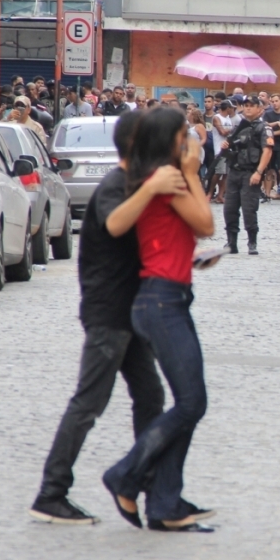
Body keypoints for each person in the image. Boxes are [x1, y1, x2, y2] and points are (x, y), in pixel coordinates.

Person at [29, 113, 187, 526]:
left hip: (130, 314)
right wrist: (152, 187)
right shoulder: (115, 188)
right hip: (109, 314)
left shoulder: (133, 186)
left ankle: (152, 492)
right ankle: (51, 492)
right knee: (88, 403)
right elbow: (117, 223)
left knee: (150, 398)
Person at [102, 108, 216, 533]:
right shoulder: (167, 179)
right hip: (161, 302)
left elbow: (173, 235)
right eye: (185, 136)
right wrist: (192, 172)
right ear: (170, 141)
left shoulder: (160, 178)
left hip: (169, 296)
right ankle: (127, 475)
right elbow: (205, 221)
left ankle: (166, 503)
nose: (191, 142)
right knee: (191, 402)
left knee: (189, 403)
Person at [222, 96, 273, 255]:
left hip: (251, 172)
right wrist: (226, 146)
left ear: (259, 109)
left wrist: (259, 172)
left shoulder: (263, 127)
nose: (248, 108)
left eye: (252, 106)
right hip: (235, 172)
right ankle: (232, 242)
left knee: (249, 209)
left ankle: (252, 242)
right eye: (246, 106)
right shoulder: (239, 126)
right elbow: (231, 148)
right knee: (229, 209)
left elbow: (267, 150)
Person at [208, 100, 235, 203]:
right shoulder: (217, 118)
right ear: (227, 108)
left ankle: (220, 195)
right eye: (231, 107)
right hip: (219, 149)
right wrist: (232, 130)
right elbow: (222, 132)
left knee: (226, 174)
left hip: (228, 148)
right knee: (218, 172)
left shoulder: (229, 119)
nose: (232, 110)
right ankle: (210, 193)